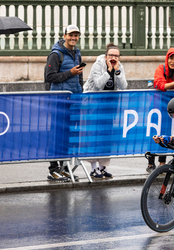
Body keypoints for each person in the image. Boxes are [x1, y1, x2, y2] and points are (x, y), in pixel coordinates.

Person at [45, 24, 85, 182]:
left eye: (76, 35)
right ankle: (53, 169)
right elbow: (50, 77)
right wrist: (71, 73)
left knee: (67, 135)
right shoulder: (56, 54)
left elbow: (79, 77)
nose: (74, 38)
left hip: (72, 100)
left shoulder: (77, 53)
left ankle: (63, 167)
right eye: (71, 35)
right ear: (64, 35)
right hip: (59, 101)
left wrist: (80, 94)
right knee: (56, 135)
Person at [83, 43, 127, 178]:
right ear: (106, 55)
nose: (113, 57)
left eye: (116, 55)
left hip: (110, 105)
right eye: (111, 55)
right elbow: (98, 84)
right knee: (95, 135)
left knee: (107, 136)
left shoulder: (120, 66)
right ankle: (93, 167)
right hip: (95, 105)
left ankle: (102, 167)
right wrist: (108, 71)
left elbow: (123, 86)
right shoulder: (98, 65)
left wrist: (117, 72)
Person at [146, 48, 174, 173]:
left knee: (165, 132)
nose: (173, 61)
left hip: (173, 108)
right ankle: (150, 163)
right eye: (171, 58)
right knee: (154, 132)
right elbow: (161, 85)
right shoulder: (160, 69)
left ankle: (162, 163)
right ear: (167, 58)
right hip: (157, 106)